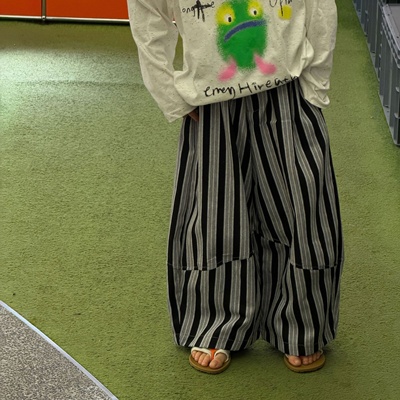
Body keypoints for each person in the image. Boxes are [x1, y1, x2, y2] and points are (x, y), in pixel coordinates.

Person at [128, 0, 344, 374]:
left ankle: (301, 323)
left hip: (288, 89)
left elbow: (319, 5)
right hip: (211, 102)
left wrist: (316, 81)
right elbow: (148, 12)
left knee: (305, 206)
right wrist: (169, 94)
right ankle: (217, 321)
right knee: (215, 214)